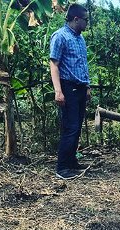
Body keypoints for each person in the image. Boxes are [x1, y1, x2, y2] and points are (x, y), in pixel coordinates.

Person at [50, 3, 90, 180]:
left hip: (80, 87)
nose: (87, 23)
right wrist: (58, 91)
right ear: (76, 19)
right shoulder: (60, 36)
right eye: (85, 20)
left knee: (77, 126)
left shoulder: (80, 38)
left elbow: (83, 64)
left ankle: (72, 161)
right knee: (70, 127)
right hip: (68, 87)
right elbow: (54, 64)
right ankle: (62, 167)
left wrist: (87, 86)